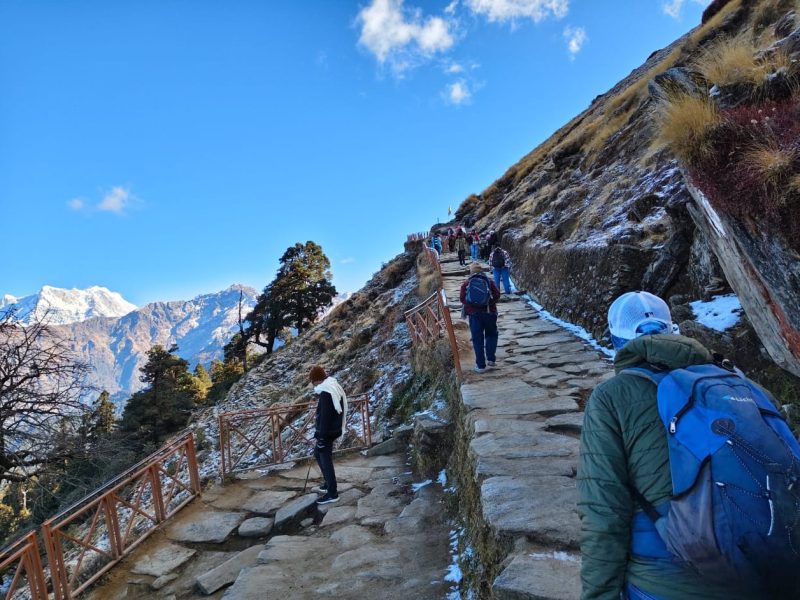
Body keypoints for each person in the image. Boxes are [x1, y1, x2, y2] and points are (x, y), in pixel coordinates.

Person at [577, 292, 750, 600]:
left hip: (668, 578)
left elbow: (603, 510)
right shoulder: (733, 379)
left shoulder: (611, 398)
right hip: (762, 563)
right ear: (672, 331)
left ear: (617, 341)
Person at [309, 365, 347, 505]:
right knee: (318, 455)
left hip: (327, 432)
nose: (313, 385)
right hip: (332, 430)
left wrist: (322, 438)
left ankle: (332, 493)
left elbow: (325, 417)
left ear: (317, 380)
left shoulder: (325, 392)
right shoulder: (332, 385)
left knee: (325, 459)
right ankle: (327, 483)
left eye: (313, 381)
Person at [459, 262, 501, 373]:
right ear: (481, 270)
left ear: (471, 271)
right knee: (491, 335)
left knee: (477, 340)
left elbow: (462, 299)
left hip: (474, 315)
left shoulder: (467, 283)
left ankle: (481, 366)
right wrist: (488, 302)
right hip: (489, 313)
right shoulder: (489, 281)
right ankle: (491, 359)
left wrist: (472, 304)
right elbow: (497, 294)